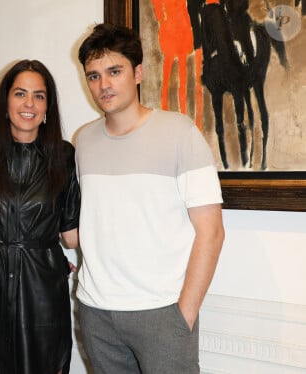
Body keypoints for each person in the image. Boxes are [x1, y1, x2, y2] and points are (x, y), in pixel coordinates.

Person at [74, 23, 225, 373]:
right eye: (93, 76)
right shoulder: (84, 141)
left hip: (162, 312)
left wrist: (183, 313)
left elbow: (212, 231)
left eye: (114, 71)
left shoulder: (180, 132)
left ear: (138, 72)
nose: (103, 85)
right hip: (96, 312)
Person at [0, 59, 80, 374]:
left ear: (48, 108)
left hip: (41, 286)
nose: (29, 103)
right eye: (20, 93)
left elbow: (70, 233)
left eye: (39, 96)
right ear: (6, 102)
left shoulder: (64, 155)